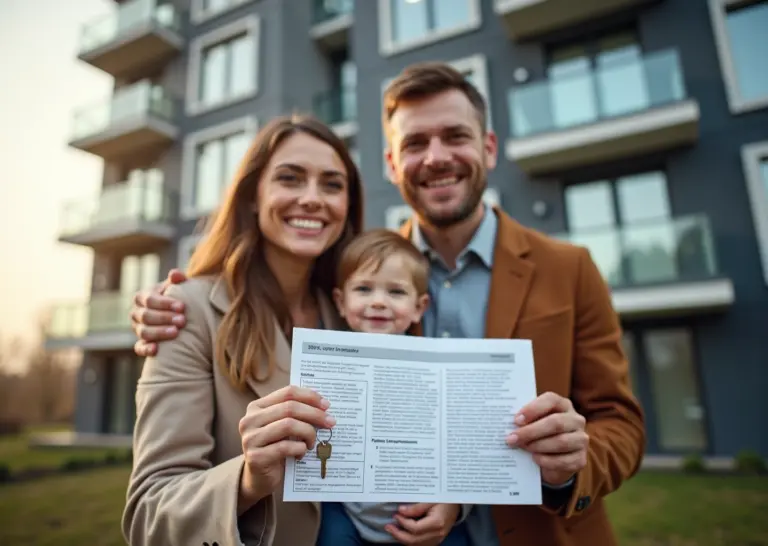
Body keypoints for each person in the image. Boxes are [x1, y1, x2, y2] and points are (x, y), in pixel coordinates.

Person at [129, 63, 646, 546]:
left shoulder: (570, 266)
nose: (437, 156)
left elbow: (620, 423)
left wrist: (569, 466)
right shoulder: (357, 286)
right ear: (392, 164)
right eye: (416, 142)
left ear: (489, 147)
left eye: (456, 137)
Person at [121, 114, 462, 546]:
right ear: (252, 197)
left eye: (332, 185)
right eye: (290, 178)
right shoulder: (184, 311)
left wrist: (451, 500)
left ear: (348, 206)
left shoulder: (357, 313)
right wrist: (248, 478)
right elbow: (148, 515)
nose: (312, 199)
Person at [318, 228, 471, 546]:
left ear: (419, 306)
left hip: (424, 513)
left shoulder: (437, 370)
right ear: (340, 302)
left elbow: (458, 444)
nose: (378, 302)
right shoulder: (325, 367)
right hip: (347, 513)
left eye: (396, 292)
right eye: (363, 289)